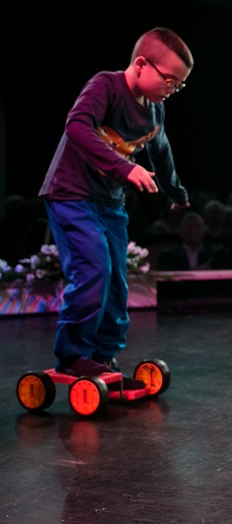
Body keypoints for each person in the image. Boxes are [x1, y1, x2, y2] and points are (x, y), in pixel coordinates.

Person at [39, 27, 192, 378]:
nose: (171, 90)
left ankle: (103, 353)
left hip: (109, 203)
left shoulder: (154, 112)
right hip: (71, 194)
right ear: (142, 64)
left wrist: (175, 192)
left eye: (178, 85)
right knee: (94, 270)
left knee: (118, 280)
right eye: (169, 81)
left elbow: (162, 153)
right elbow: (76, 126)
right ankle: (73, 354)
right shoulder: (106, 86)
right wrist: (124, 168)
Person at [157, 211, 231, 270]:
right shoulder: (168, 256)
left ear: (204, 230)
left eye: (197, 226)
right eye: (188, 227)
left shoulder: (217, 253)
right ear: (180, 231)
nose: (193, 230)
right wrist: (196, 272)